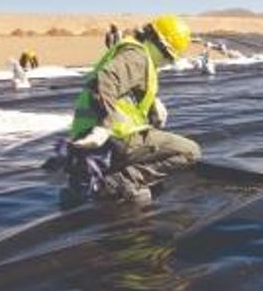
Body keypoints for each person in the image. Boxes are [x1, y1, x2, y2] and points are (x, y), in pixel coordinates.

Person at [62, 14, 202, 203]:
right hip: (114, 137)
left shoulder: (131, 51)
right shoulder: (137, 57)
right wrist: (105, 127)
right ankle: (118, 181)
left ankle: (103, 178)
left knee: (139, 192)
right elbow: (106, 80)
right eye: (168, 57)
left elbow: (119, 85)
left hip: (88, 138)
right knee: (190, 151)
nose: (166, 63)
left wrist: (152, 102)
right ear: (160, 45)